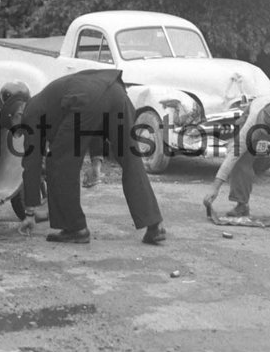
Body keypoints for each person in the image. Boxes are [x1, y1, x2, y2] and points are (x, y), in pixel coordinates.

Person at [15, 69, 166, 244]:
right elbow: (94, 119)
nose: (20, 134)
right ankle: (155, 225)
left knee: (59, 163)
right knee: (131, 159)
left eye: (16, 129)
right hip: (115, 92)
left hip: (91, 99)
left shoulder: (31, 111)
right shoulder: (49, 99)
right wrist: (96, 163)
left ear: (18, 114)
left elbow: (31, 162)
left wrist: (29, 212)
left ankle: (75, 227)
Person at [202, 93, 270, 218]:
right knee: (241, 156)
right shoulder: (253, 123)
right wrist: (215, 187)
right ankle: (242, 205)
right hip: (256, 113)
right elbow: (233, 155)